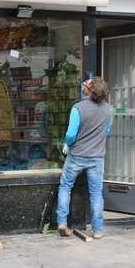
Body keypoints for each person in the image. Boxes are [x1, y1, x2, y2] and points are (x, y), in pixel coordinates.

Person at [56, 76, 112, 240]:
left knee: (65, 187)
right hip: (97, 157)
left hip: (76, 155)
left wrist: (68, 145)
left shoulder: (77, 108)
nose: (84, 84)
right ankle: (97, 230)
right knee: (96, 193)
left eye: (86, 83)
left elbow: (71, 134)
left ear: (90, 90)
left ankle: (62, 223)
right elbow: (106, 132)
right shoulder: (108, 109)